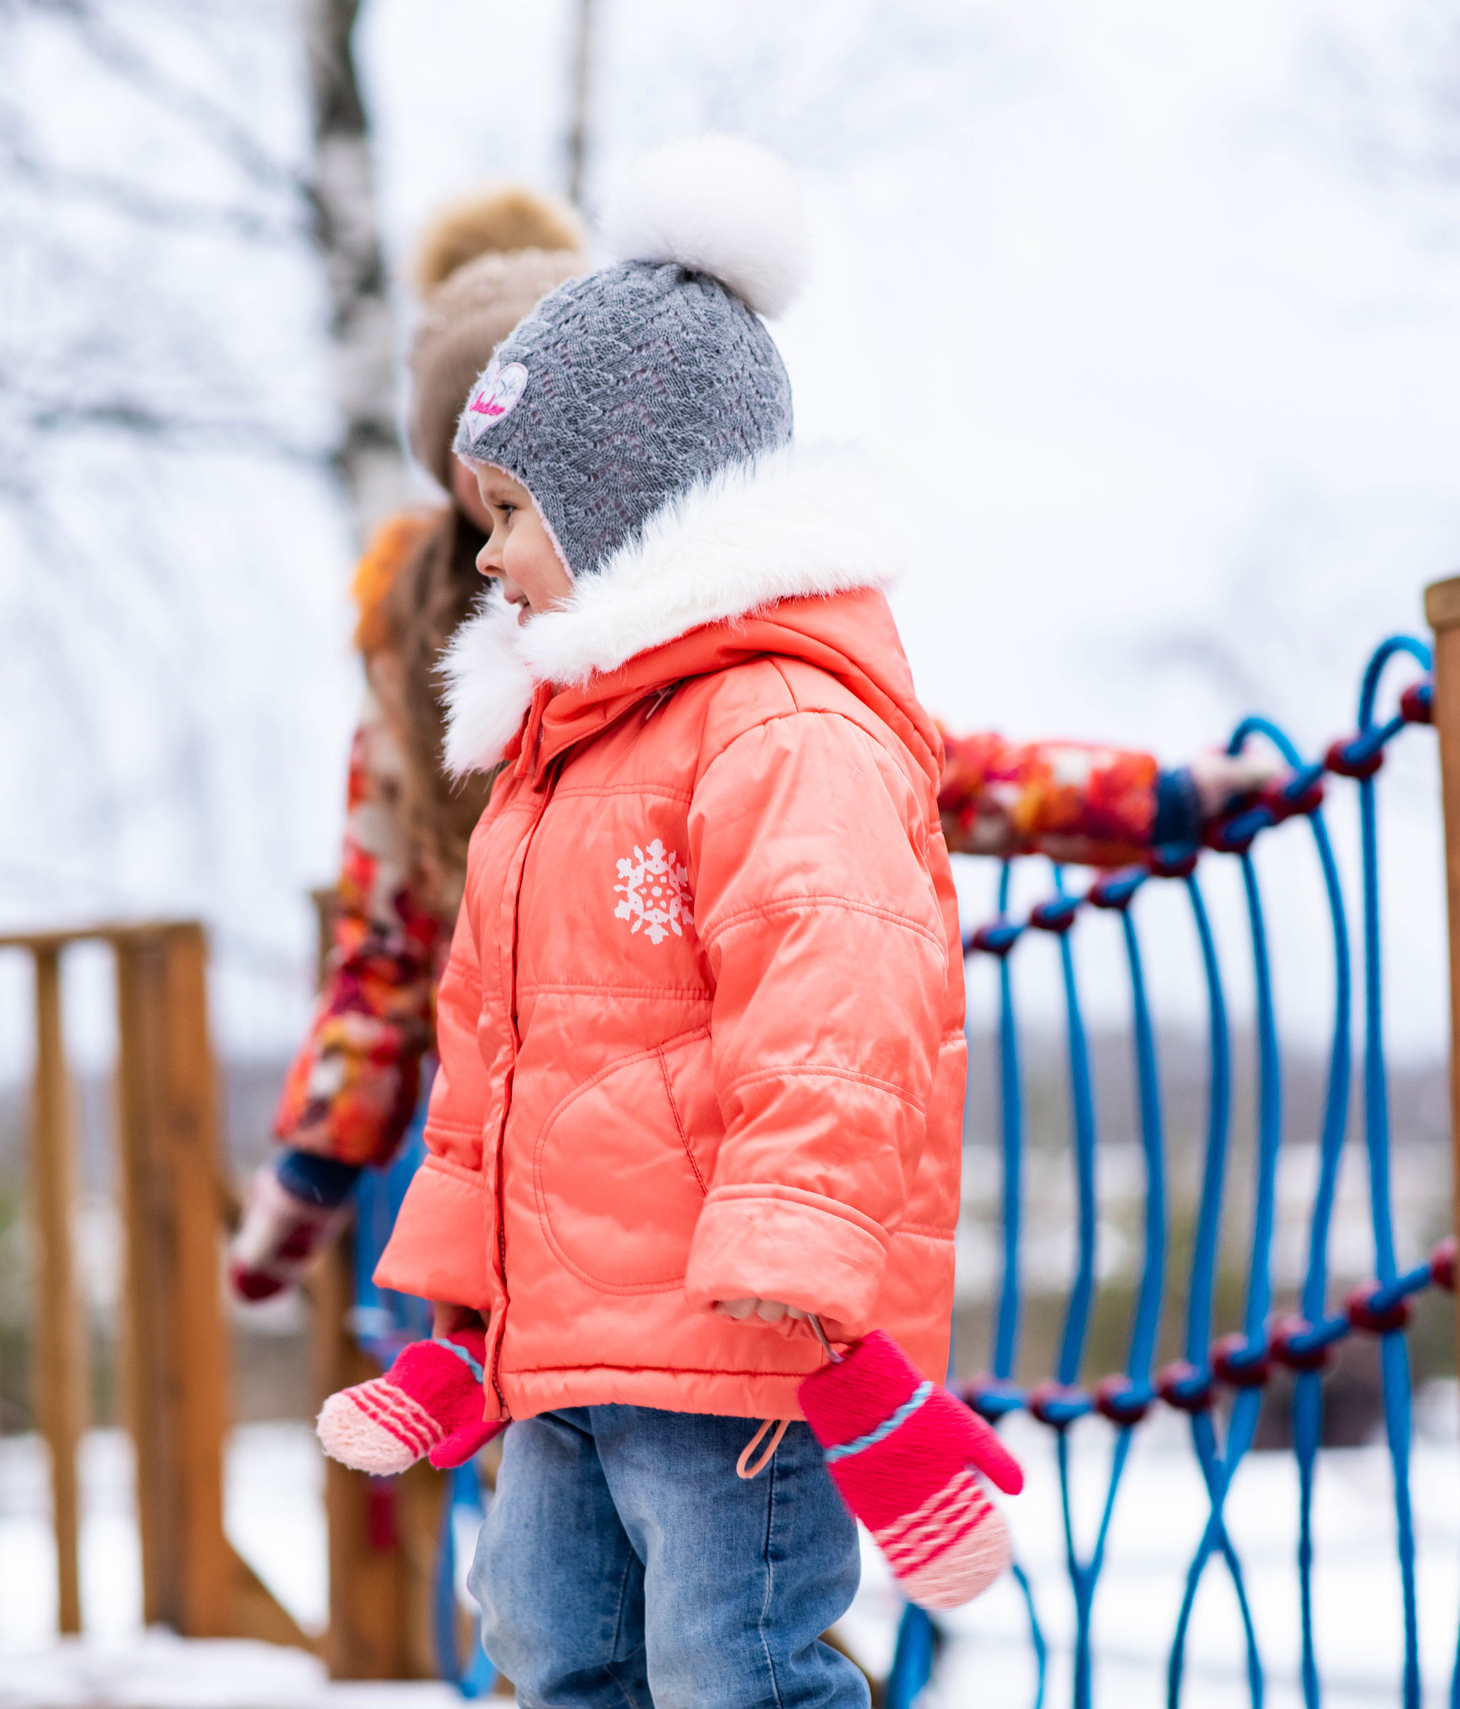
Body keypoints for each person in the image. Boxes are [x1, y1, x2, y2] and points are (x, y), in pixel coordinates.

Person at [365, 137, 1263, 1709]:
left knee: (736, 1662)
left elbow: (842, 983)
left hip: (736, 1334)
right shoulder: (545, 744)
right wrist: (455, 1277)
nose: (488, 554)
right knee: (550, 1646)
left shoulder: (780, 723)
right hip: (564, 1330)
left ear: (632, 502)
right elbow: (483, 1038)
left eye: (513, 510)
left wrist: (797, 1240)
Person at [228, 185, 590, 1301]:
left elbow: (858, 752)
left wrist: (1122, 803)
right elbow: (384, 941)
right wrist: (315, 1158)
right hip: (494, 1128)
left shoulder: (666, 597)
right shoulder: (412, 651)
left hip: (666, 1097)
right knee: (496, 1404)